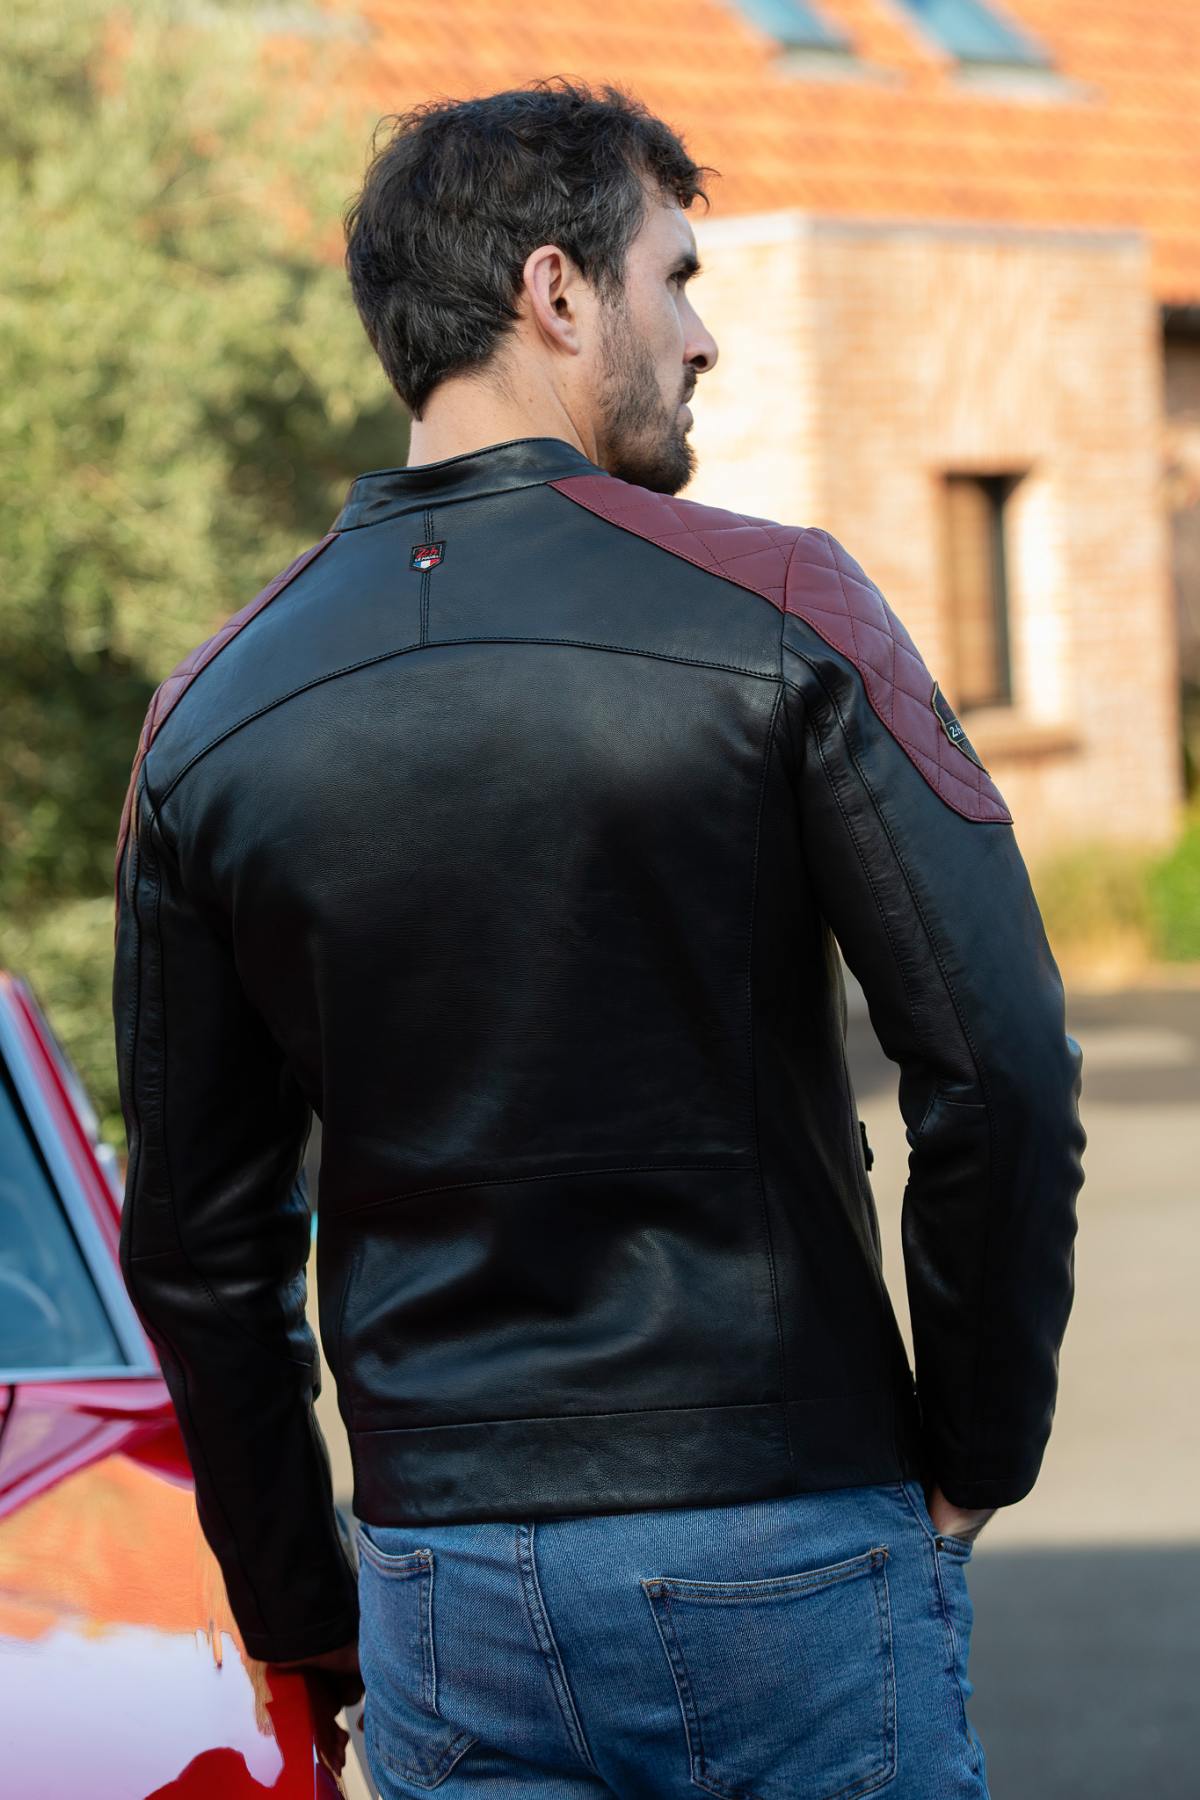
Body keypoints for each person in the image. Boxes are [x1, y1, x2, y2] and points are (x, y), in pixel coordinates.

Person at [111, 76, 1086, 1799]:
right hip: (786, 1533)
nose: (702, 338)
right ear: (556, 292)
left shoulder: (211, 711)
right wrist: (975, 1452)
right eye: (676, 278)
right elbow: (997, 1067)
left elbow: (197, 1241)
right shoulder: (783, 606)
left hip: (442, 1592)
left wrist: (306, 1616)